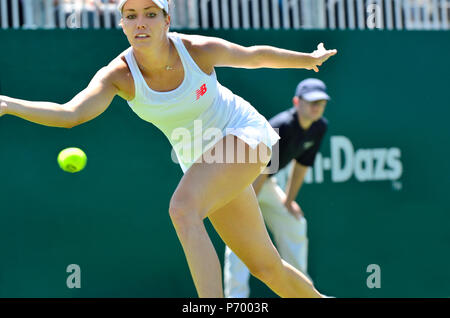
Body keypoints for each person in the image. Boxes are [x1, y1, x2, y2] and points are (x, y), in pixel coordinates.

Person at [0, 0, 337, 298]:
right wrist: (7, 104)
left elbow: (253, 56)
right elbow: (70, 114)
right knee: (266, 267)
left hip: (244, 133)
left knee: (182, 208)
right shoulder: (118, 75)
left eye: (150, 14)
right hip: (205, 162)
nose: (140, 23)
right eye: (130, 16)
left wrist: (308, 59)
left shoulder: (195, 50)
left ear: (166, 20)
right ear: (122, 24)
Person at [224, 78, 330, 298]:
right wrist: (244, 212)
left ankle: (302, 293)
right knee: (240, 238)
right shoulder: (282, 127)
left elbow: (301, 166)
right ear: (297, 102)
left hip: (264, 181)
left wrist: (288, 202)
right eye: (311, 102)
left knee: (294, 222)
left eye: (320, 102)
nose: (316, 107)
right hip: (242, 182)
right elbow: (259, 169)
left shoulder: (319, 127)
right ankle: (236, 299)